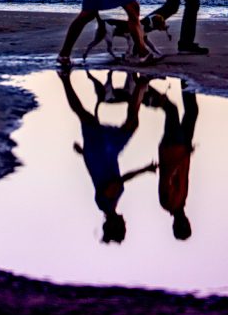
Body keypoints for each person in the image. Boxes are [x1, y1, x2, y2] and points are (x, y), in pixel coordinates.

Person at [58, 70, 156, 243]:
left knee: (128, 122)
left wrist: (146, 169)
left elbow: (120, 180)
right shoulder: (105, 205)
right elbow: (97, 175)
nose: (126, 224)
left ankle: (141, 84)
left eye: (123, 227)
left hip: (103, 152)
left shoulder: (107, 203)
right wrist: (83, 153)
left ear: (116, 225)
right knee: (85, 116)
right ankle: (65, 79)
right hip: (98, 155)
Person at [148, 82, 198, 240]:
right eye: (187, 225)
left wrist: (183, 156)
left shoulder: (168, 202)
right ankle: (187, 80)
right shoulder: (181, 201)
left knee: (171, 110)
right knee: (192, 112)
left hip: (172, 149)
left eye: (182, 225)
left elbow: (168, 174)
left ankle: (140, 88)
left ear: (176, 225)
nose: (185, 222)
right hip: (182, 148)